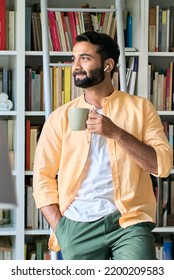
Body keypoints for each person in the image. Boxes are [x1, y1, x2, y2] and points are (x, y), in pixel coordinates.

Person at [33, 31, 173, 260]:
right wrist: (61, 228)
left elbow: (162, 166)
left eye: (85, 58)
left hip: (130, 221)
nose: (75, 66)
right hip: (77, 225)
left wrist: (116, 133)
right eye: (73, 59)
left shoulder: (141, 109)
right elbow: (42, 176)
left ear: (108, 65)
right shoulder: (60, 117)